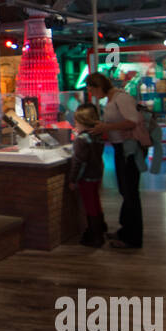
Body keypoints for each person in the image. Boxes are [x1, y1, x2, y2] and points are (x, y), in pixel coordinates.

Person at [86, 71, 143, 250]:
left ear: (98, 86)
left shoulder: (121, 98)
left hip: (129, 149)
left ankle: (133, 238)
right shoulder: (112, 99)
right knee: (125, 191)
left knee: (130, 192)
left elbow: (132, 121)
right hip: (121, 148)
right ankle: (125, 231)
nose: (92, 94)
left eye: (91, 90)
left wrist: (107, 127)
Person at [67, 103, 105, 246]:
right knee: (96, 202)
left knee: (90, 205)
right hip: (96, 175)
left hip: (86, 178)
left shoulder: (81, 140)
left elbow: (79, 162)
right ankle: (100, 229)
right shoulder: (97, 137)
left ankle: (95, 236)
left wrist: (73, 180)